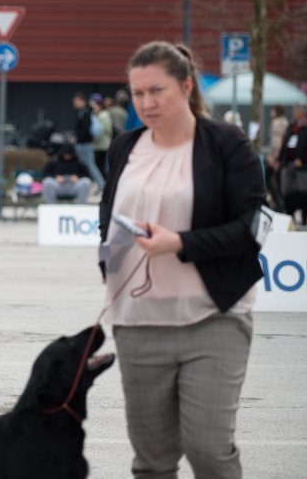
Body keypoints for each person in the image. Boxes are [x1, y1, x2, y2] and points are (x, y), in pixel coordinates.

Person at [99, 41, 264, 478]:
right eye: (137, 94)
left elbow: (252, 229)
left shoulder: (227, 143)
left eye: (157, 91)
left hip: (214, 318)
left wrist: (181, 243)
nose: (146, 103)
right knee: (152, 462)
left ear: (186, 86)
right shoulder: (124, 147)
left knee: (208, 450)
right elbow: (108, 222)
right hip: (137, 323)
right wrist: (108, 271)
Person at [278, 104, 307, 225]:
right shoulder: (292, 126)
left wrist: (303, 159)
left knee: (304, 191)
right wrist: (280, 160)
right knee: (286, 190)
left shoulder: (306, 127)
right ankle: (288, 216)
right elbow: (284, 143)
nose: (294, 113)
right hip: (288, 163)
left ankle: (304, 216)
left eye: (296, 111)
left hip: (303, 166)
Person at [72, 91, 105, 192]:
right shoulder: (82, 112)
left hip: (85, 144)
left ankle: (102, 185)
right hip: (83, 143)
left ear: (83, 101)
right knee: (87, 165)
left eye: (77, 101)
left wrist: (79, 139)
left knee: (90, 165)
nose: (75, 103)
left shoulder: (85, 113)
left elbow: (86, 130)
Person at [266, 105, 290, 211]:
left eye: (272, 110)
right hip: (282, 158)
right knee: (278, 181)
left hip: (276, 158)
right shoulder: (286, 122)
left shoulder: (277, 123)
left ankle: (279, 205)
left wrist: (274, 158)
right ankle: (280, 204)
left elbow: (276, 143)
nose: (271, 112)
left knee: (270, 181)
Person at [89, 93, 113, 178]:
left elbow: (105, 129)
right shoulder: (95, 115)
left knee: (102, 167)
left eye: (94, 104)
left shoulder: (104, 114)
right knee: (98, 166)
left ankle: (103, 185)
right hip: (96, 145)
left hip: (103, 145)